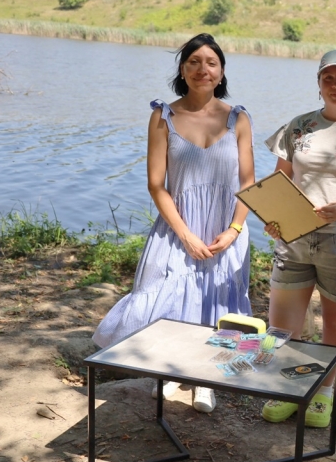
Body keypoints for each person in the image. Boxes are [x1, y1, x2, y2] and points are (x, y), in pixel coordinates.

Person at [93, 33, 255, 414]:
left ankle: (206, 380)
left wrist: (233, 231)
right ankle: (165, 371)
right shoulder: (163, 116)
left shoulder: (238, 118)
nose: (203, 69)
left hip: (224, 228)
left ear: (221, 72)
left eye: (210, 62)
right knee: (167, 296)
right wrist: (184, 234)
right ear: (182, 69)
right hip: (177, 225)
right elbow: (156, 184)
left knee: (218, 301)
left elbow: (249, 183)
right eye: (194, 61)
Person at [260, 49, 336, 428]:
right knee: (283, 324)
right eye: (328, 78)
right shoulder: (298, 127)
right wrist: (273, 216)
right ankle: (290, 387)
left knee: (334, 323)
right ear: (318, 84)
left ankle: (323, 392)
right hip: (293, 239)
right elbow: (280, 181)